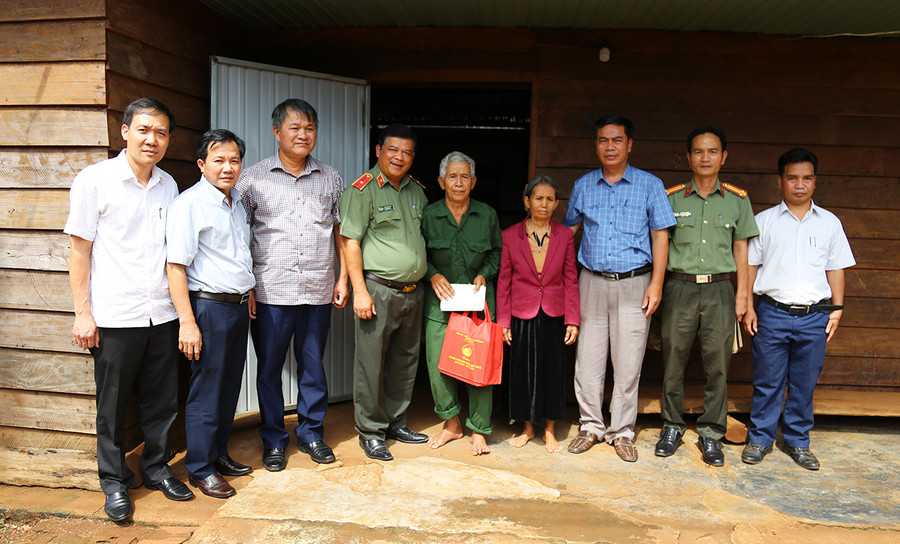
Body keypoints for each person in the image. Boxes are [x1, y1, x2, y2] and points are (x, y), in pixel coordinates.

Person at [65, 98, 193, 522]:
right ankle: (114, 482)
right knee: (113, 405)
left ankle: (156, 469)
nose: (151, 139)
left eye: (160, 132)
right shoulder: (95, 180)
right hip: (115, 316)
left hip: (161, 312)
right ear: (124, 132)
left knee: (162, 400)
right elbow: (79, 251)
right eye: (143, 130)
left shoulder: (169, 185)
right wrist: (83, 312)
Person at [237, 99, 348, 471]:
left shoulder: (331, 177)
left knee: (313, 366)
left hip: (317, 289)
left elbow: (339, 232)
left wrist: (343, 277)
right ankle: (273, 439)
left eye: (310, 128)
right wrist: (248, 285)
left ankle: (312, 433)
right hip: (270, 292)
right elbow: (239, 235)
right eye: (295, 128)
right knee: (268, 370)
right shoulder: (251, 178)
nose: (303, 135)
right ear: (276, 132)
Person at [564, 115, 675, 462]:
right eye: (602, 140)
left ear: (630, 145)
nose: (609, 146)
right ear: (595, 145)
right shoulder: (584, 185)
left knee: (628, 363)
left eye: (616, 140)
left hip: (634, 282)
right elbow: (569, 233)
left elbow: (660, 235)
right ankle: (591, 425)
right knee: (588, 361)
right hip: (591, 282)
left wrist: (656, 282)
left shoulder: (649, 185)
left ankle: (622, 431)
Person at [741, 148, 854, 470]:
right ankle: (760, 438)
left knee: (804, 382)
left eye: (806, 178)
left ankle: (797, 441)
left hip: (814, 315)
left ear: (815, 182)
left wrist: (837, 310)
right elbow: (749, 267)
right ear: (780, 182)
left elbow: (836, 269)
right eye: (792, 178)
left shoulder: (830, 224)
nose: (799, 185)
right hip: (772, 313)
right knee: (768, 380)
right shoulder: (764, 222)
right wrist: (749, 306)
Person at [655, 127, 759, 466]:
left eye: (712, 151)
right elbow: (661, 244)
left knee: (718, 365)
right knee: (674, 362)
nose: (705, 157)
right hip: (679, 287)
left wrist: (743, 294)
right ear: (688, 157)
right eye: (698, 151)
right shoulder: (671, 198)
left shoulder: (737, 200)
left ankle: (711, 433)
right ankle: (672, 425)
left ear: (723, 157)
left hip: (719, 289)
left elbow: (742, 248)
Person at [165, 129, 254, 498]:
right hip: (207, 307)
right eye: (219, 160)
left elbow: (237, 256)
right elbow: (175, 267)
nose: (227, 167)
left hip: (235, 306)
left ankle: (218, 454)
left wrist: (248, 292)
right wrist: (188, 322)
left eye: (234, 160)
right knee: (206, 389)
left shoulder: (236, 205)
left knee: (229, 385)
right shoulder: (190, 204)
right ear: (202, 164)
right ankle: (200, 468)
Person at [339, 123, 430, 461]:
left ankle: (396, 422)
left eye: (407, 152)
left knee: (405, 361)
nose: (400, 157)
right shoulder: (362, 191)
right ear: (378, 151)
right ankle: (371, 431)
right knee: (371, 364)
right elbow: (350, 242)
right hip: (378, 290)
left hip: (413, 292)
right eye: (393, 149)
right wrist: (358, 291)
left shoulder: (416, 192)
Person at [422, 151, 502, 456]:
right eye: (452, 177)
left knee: (478, 361)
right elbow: (420, 254)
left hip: (478, 302)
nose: (459, 182)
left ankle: (479, 429)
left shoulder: (487, 215)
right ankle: (451, 423)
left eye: (464, 176)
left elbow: (496, 252)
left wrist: (485, 274)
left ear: (474, 181)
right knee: (436, 363)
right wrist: (432, 274)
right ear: (441, 182)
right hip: (439, 302)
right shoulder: (429, 215)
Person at [498, 176, 580, 453]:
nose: (543, 204)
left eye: (549, 199)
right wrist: (504, 322)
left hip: (554, 313)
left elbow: (571, 278)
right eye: (538, 198)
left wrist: (572, 319)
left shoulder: (565, 235)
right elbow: (504, 282)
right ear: (527, 201)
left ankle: (549, 430)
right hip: (522, 313)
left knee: (552, 372)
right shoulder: (510, 236)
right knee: (522, 371)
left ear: (557, 204)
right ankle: (527, 428)